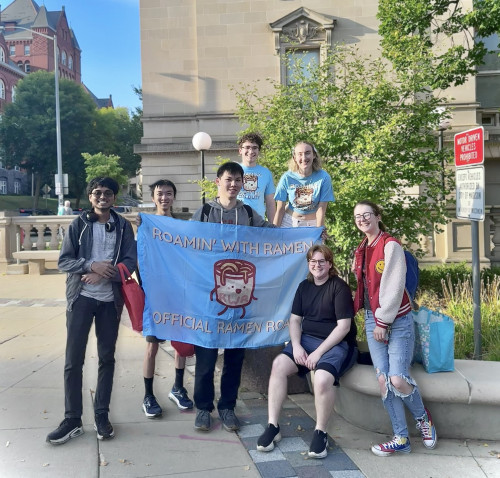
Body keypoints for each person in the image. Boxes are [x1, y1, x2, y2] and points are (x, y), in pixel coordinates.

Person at [46, 177, 137, 445]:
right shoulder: (79, 225)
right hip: (81, 299)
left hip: (110, 300)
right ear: (90, 197)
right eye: (97, 193)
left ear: (114, 199)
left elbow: (130, 260)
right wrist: (91, 266)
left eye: (108, 193)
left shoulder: (123, 226)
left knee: (106, 359)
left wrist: (106, 274)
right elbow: (64, 260)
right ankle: (72, 418)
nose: (102, 197)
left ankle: (101, 415)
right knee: (73, 360)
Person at [191, 161, 274, 433]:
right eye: (229, 179)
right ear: (218, 182)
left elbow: (272, 236)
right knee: (205, 357)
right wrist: (153, 227)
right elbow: (183, 242)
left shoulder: (249, 214)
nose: (234, 184)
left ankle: (227, 407)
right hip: (209, 298)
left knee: (234, 358)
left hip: (241, 298)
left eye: (238, 179)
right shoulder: (203, 213)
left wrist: (307, 235)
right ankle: (203, 409)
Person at [352, 200, 437, 456]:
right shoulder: (361, 249)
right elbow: (364, 287)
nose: (363, 219)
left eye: (367, 214)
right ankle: (400, 437)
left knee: (397, 379)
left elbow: (394, 286)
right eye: (358, 216)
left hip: (395, 320)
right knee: (383, 380)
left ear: (378, 217)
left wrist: (383, 322)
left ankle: (424, 419)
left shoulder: (391, 246)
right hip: (371, 319)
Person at [256, 244, 357, 458]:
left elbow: (344, 327)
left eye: (322, 261)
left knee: (321, 379)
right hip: (306, 341)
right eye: (313, 261)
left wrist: (318, 353)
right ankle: (273, 427)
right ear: (308, 264)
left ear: (329, 264)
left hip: (334, 344)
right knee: (278, 366)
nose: (317, 265)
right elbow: (294, 320)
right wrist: (298, 346)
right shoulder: (304, 287)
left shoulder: (339, 287)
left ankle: (321, 432)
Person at [136, 179, 194, 418]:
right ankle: (148, 395)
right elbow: (140, 258)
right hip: (156, 293)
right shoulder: (145, 226)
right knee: (152, 346)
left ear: (174, 197)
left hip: (177, 293)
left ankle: (178, 387)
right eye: (160, 194)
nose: (164, 198)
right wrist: (146, 286)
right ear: (153, 198)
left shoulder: (181, 226)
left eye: (169, 194)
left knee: (180, 343)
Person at [273, 141, 334, 228]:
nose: (304, 157)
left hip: (312, 224)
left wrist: (319, 230)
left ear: (314, 155)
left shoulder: (324, 177)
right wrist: (273, 232)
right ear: (295, 158)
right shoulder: (287, 177)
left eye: (307, 153)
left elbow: (321, 210)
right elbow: (280, 209)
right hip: (289, 223)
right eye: (300, 154)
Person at [237, 132, 276, 222]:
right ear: (240, 151)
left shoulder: (266, 173)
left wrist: (273, 228)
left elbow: (270, 203)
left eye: (254, 148)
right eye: (247, 147)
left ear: (259, 151)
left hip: (258, 224)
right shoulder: (233, 170)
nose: (251, 151)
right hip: (236, 223)